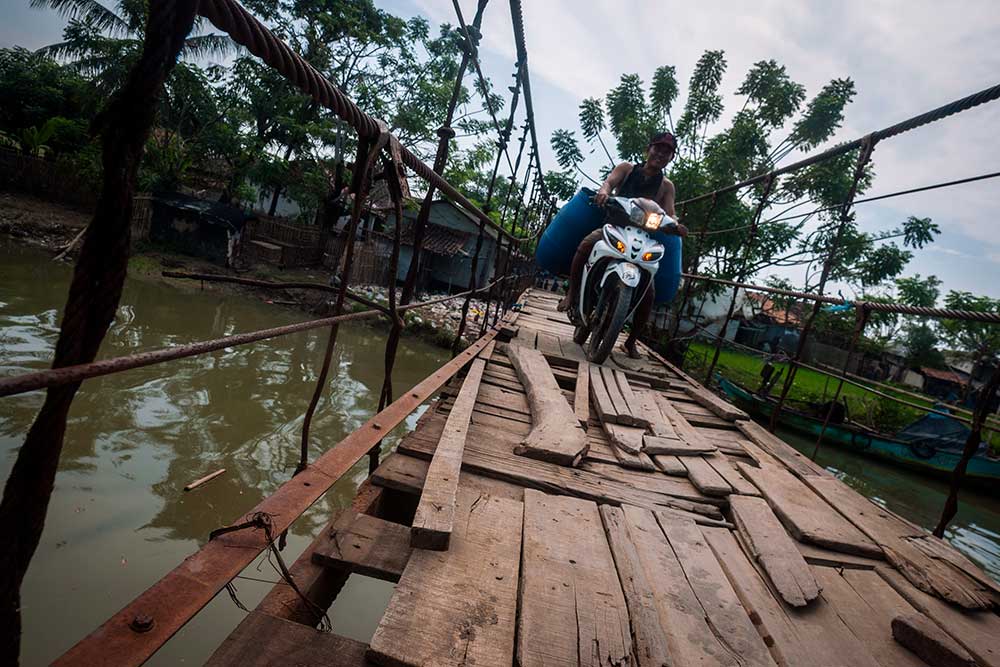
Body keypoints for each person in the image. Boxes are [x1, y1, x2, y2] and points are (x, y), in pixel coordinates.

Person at [558, 131, 687, 358]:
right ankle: (571, 293)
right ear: (649, 149)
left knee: (649, 290)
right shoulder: (627, 169)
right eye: (658, 148)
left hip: (644, 239)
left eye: (667, 152)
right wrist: (603, 192)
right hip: (614, 229)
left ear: (671, 157)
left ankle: (631, 341)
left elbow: (671, 213)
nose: (660, 154)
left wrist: (676, 225)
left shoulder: (666, 186)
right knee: (586, 245)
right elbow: (609, 182)